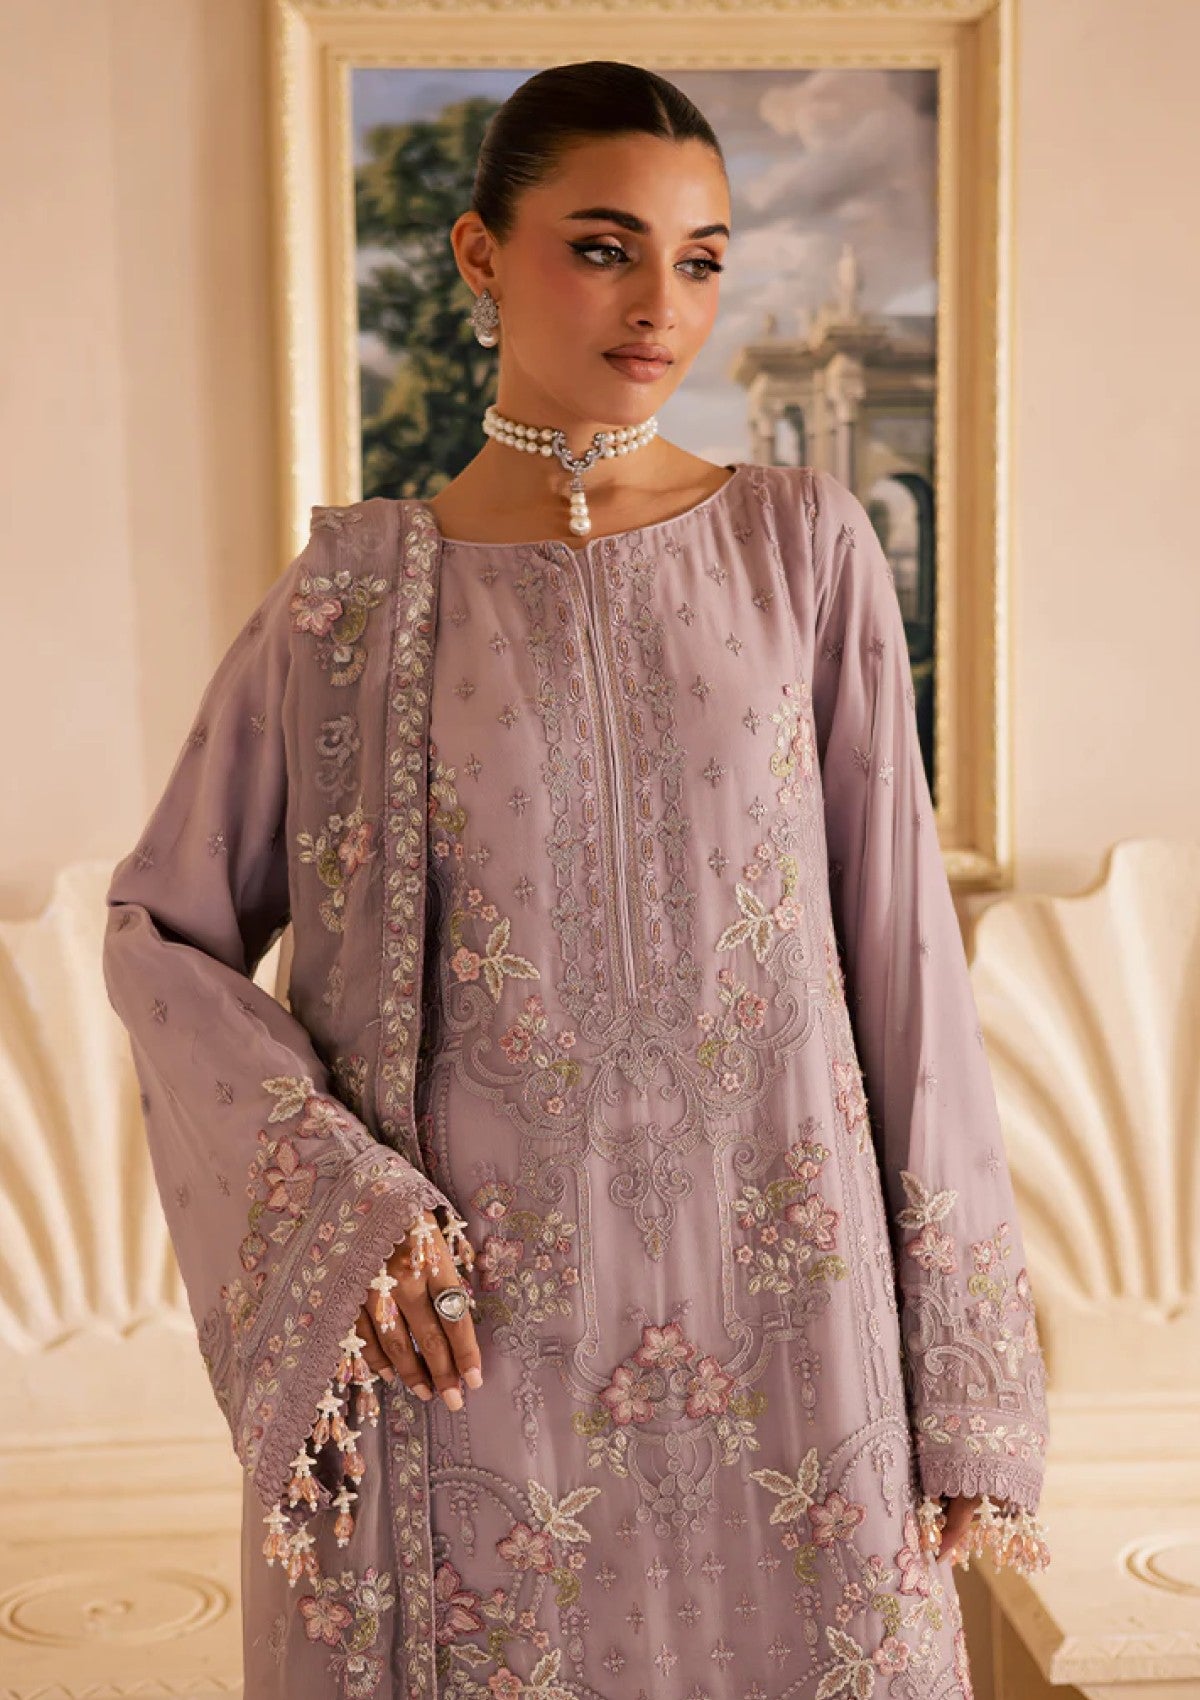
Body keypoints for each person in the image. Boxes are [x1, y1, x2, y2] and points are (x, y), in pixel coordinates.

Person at [102, 58, 1051, 1700]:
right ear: (480, 255)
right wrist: (346, 1204)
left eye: (700, 259)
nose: (661, 305)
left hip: (793, 1347)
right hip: (478, 1361)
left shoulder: (801, 549)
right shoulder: (353, 605)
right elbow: (158, 934)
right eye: (605, 248)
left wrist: (961, 1376)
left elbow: (905, 964)